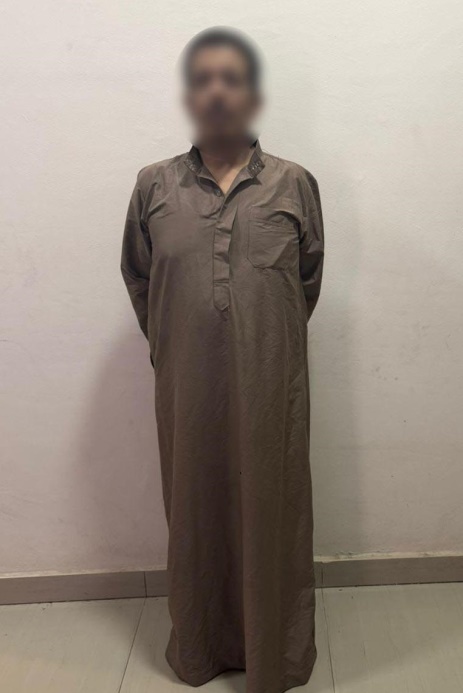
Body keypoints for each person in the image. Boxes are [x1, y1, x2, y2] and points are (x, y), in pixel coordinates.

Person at [120, 25, 325, 693]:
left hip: (270, 387)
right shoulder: (153, 185)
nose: (216, 91)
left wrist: (260, 342)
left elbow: (306, 281)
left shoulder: (294, 185)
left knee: (272, 507)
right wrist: (179, 343)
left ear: (253, 95)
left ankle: (274, 655)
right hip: (187, 388)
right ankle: (201, 648)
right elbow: (140, 277)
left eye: (231, 78)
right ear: (188, 96)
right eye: (202, 78)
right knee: (195, 508)